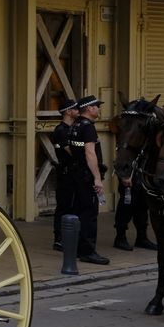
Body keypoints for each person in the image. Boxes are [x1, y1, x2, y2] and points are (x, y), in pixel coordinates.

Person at [72, 94, 110, 264]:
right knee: (89, 215)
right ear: (89, 108)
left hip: (77, 174)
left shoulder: (76, 125)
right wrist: (97, 178)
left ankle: (78, 249)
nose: (99, 109)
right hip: (87, 177)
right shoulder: (88, 127)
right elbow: (90, 153)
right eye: (97, 106)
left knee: (79, 213)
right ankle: (88, 251)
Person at [50, 99, 80, 252]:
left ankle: (68, 236)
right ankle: (59, 238)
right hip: (66, 173)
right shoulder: (61, 131)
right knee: (64, 206)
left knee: (72, 206)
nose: (78, 110)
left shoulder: (72, 128)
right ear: (68, 112)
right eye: (75, 109)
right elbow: (72, 152)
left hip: (72, 172)